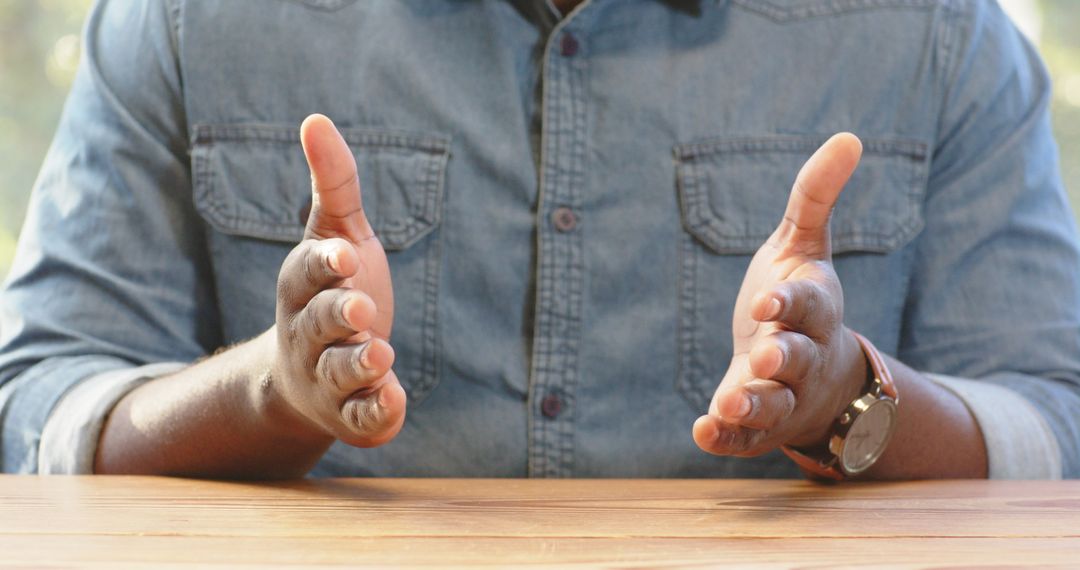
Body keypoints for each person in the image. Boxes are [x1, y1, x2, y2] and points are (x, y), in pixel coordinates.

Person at [1, 0, 1076, 480]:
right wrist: (271, 396)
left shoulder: (936, 33)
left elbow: (1055, 428)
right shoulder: (188, 19)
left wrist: (850, 403)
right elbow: (36, 409)